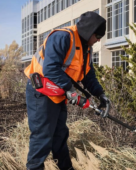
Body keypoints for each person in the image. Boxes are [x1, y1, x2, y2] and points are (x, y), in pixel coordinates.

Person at [24, 11, 110, 170]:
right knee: (42, 137)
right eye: (98, 36)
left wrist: (100, 94)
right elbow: (50, 69)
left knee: (60, 136)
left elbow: (87, 74)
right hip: (41, 92)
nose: (98, 40)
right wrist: (70, 90)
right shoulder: (63, 37)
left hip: (58, 93)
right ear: (89, 31)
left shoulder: (86, 47)